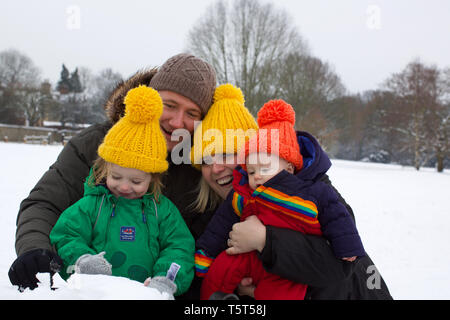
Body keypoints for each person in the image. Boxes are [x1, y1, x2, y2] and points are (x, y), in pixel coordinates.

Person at [8, 53, 216, 293]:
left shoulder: (201, 167)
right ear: (149, 99)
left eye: (192, 113)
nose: (178, 122)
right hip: (87, 289)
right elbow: (45, 203)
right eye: (169, 106)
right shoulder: (96, 143)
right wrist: (35, 249)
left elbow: (192, 243)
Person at [192, 85, 392, 300]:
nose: (215, 168)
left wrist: (265, 240)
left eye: (227, 153)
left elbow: (340, 265)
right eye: (206, 160)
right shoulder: (216, 212)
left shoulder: (313, 191)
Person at [49, 86, 194, 299]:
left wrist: (166, 279)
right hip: (96, 294)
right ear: (104, 169)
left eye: (136, 181)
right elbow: (65, 236)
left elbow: (180, 248)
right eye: (116, 177)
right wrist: (82, 260)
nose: (124, 187)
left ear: (153, 178)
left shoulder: (163, 211)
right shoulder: (91, 205)